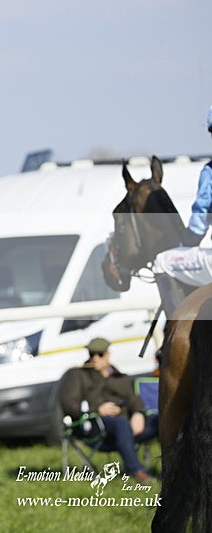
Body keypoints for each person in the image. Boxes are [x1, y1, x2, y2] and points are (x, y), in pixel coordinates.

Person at [59, 337, 158, 483]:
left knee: (160, 420)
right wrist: (97, 409)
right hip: (94, 426)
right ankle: (136, 471)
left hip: (128, 427)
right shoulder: (77, 374)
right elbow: (69, 405)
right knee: (120, 423)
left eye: (99, 354)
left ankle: (174, 468)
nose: (95, 358)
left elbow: (134, 399)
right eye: (91, 354)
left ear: (107, 354)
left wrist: (138, 413)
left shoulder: (119, 377)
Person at [151, 106, 212, 317]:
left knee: (162, 262)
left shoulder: (210, 171)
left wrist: (184, 245)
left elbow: (200, 221)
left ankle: (176, 328)